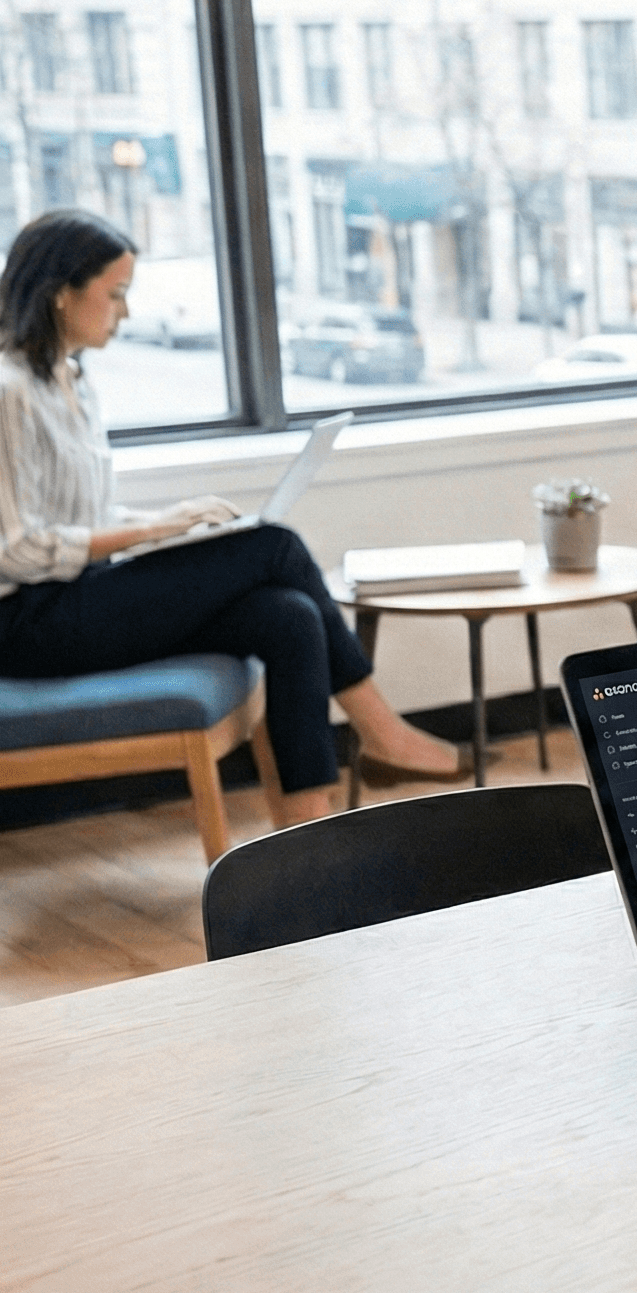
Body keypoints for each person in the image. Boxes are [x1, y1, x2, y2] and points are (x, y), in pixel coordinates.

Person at [0, 210, 467, 829]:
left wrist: (174, 522)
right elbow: (15, 548)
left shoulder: (71, 382)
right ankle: (382, 730)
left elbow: (75, 516)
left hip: (77, 595)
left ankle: (308, 838)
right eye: (115, 294)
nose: (126, 312)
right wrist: (152, 530)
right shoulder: (8, 391)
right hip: (27, 621)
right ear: (62, 292)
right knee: (275, 547)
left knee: (289, 617)